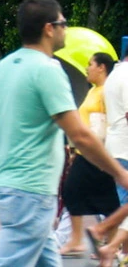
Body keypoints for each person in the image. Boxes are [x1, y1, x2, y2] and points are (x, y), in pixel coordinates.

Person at [0, 0, 128, 267]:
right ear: (49, 28)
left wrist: (5, 162)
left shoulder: (2, 68)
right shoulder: (47, 70)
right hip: (31, 189)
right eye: (63, 23)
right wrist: (119, 173)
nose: (65, 29)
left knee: (48, 260)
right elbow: (78, 134)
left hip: (6, 184)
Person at [59, 53, 119, 258]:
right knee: (106, 198)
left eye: (90, 64)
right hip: (87, 151)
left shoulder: (105, 91)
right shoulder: (94, 90)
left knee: (73, 190)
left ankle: (84, 241)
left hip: (97, 151)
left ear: (102, 67)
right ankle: (107, 243)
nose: (87, 68)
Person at [95, 49, 128, 266]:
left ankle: (116, 247)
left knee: (122, 203)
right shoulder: (126, 76)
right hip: (125, 147)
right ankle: (110, 242)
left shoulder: (115, 75)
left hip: (115, 146)